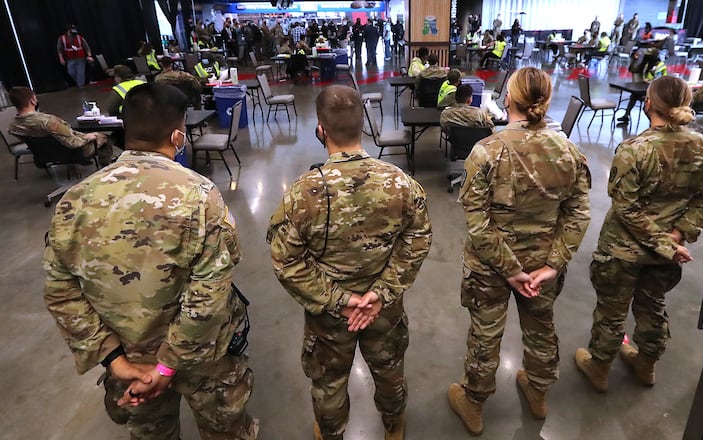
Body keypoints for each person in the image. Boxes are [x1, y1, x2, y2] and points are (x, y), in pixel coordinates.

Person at [42, 82, 259, 439]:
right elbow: (210, 293)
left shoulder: (74, 200)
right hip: (199, 357)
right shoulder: (198, 196)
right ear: (178, 135)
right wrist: (169, 364)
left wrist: (114, 360)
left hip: (130, 359)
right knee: (225, 430)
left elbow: (60, 291)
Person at [268, 85, 432, 440]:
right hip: (383, 308)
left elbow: (286, 261)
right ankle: (394, 424)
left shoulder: (302, 193)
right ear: (362, 126)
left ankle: (332, 432)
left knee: (329, 380)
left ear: (320, 130)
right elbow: (417, 241)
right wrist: (380, 293)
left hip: (329, 314)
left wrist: (340, 300)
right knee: (389, 370)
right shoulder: (401, 184)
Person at [447, 67, 591, 435]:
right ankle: (539, 393)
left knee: (485, 332)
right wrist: (554, 265)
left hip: (490, 267)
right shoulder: (568, 151)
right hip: (542, 266)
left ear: (508, 100)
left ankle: (474, 402)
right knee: (541, 328)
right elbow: (578, 212)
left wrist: (509, 268)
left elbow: (477, 221)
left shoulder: (487, 152)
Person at [575, 76, 703, 393]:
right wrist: (677, 235)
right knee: (652, 306)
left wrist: (663, 242)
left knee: (612, 311)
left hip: (622, 251)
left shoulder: (635, 150)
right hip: (666, 253)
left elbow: (626, 208)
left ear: (648, 103)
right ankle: (646, 363)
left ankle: (599, 366)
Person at [8, 86, 114, 167]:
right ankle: (106, 168)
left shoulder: (13, 126)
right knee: (105, 138)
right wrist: (88, 137)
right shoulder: (48, 122)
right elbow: (73, 143)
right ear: (33, 100)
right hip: (71, 152)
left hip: (43, 155)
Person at [617, 48, 667, 126]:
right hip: (645, 88)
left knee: (647, 103)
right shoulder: (647, 64)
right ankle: (626, 115)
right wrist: (634, 60)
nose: (646, 57)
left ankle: (653, 122)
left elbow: (659, 80)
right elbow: (633, 69)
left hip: (656, 91)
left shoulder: (660, 65)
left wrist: (650, 81)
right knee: (634, 96)